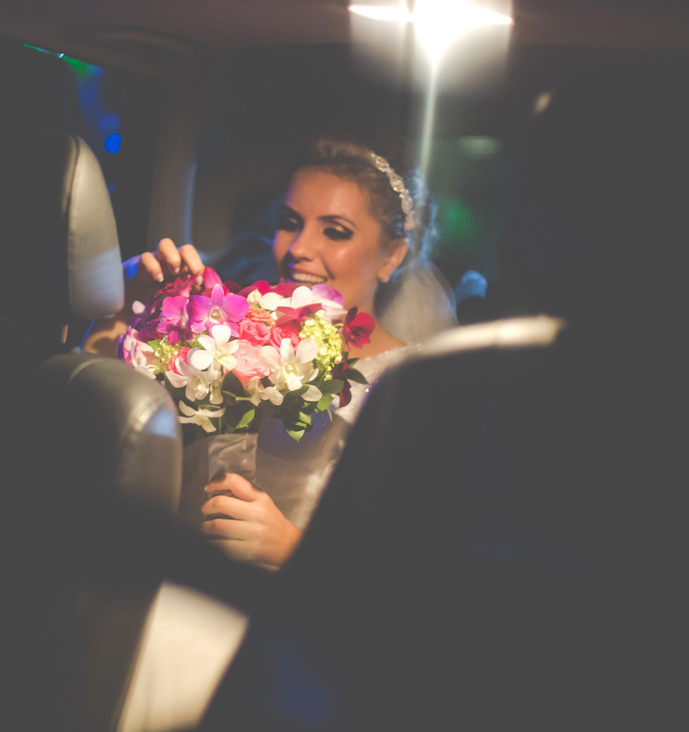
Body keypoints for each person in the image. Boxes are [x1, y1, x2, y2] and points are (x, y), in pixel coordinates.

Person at [86, 137, 456, 568]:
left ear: (391, 255)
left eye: (335, 231)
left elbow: (418, 566)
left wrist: (293, 549)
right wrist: (123, 306)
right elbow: (102, 434)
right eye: (289, 222)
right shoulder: (223, 336)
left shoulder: (414, 386)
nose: (298, 249)